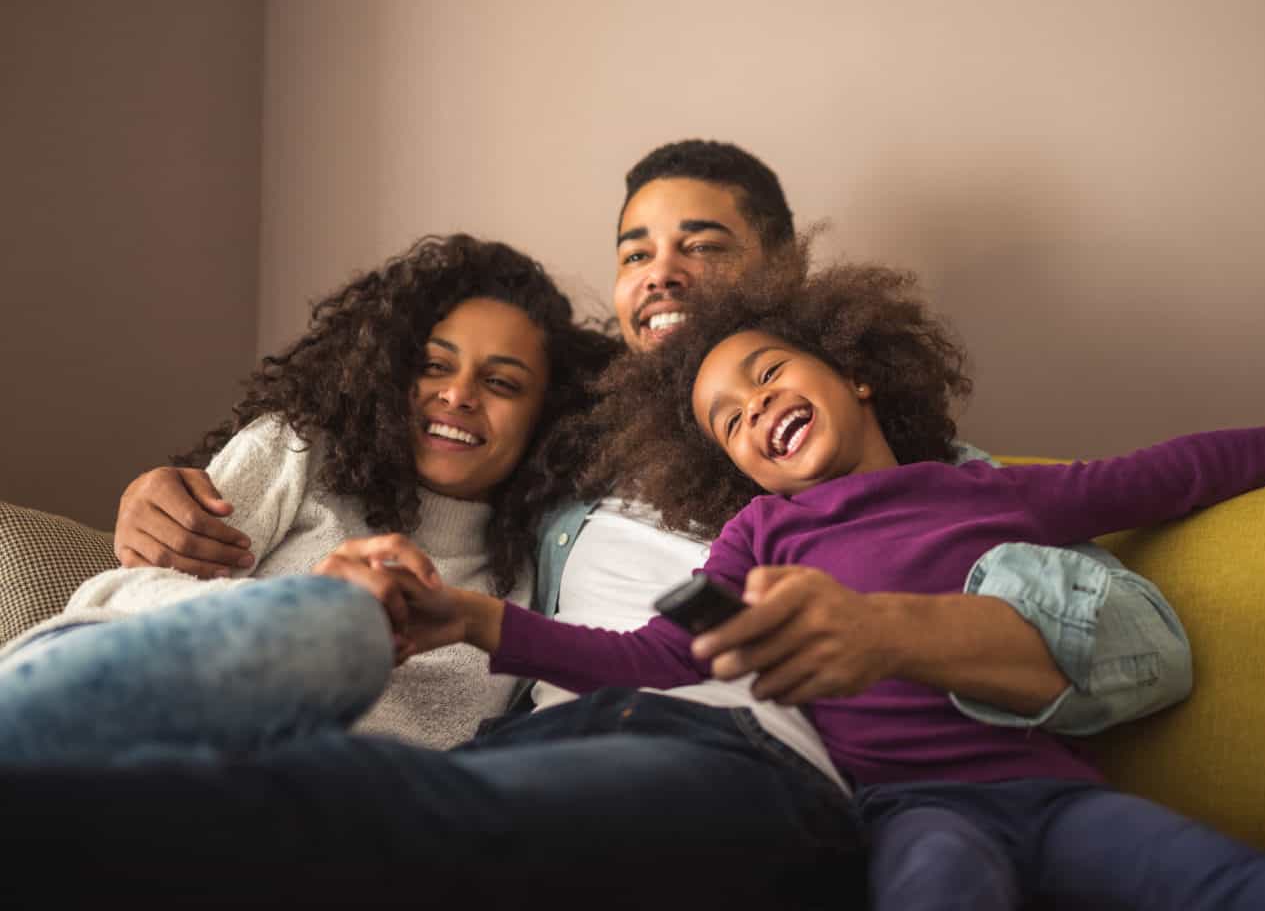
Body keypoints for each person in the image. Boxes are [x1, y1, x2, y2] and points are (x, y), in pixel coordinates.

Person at [5, 142, 1193, 906]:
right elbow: (391, 449)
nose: (660, 272)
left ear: (780, 275)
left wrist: (882, 629)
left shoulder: (902, 475)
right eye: (635, 252)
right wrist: (165, 484)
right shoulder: (557, 471)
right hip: (545, 741)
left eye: (702, 246)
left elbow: (1142, 649)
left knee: (409, 821)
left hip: (741, 768)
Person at [400, 249, 1265, 910]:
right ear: (732, 467)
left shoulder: (984, 491)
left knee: (1230, 881)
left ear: (854, 371)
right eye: (727, 420)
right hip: (906, 810)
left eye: (766, 376)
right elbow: (651, 654)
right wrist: (475, 617)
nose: (754, 411)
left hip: (1054, 793)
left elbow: (1174, 470)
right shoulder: (757, 534)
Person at [0, 234, 618, 756]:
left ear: (548, 417)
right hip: (119, 699)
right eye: (433, 365)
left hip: (301, 803)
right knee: (339, 626)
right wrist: (316, 614)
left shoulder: (536, 571)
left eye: (501, 382)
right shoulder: (302, 450)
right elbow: (119, 595)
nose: (457, 395)